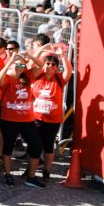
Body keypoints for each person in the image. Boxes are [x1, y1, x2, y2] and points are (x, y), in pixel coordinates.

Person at [0, 52, 44, 188]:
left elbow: (41, 65)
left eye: (23, 65)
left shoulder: (27, 76)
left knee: (36, 147)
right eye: (18, 65)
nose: (21, 68)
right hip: (9, 119)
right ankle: (8, 175)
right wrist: (10, 62)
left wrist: (30, 56)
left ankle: (31, 177)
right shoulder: (9, 78)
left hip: (27, 119)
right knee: (8, 147)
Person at [28, 46, 72, 184]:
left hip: (53, 119)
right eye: (47, 63)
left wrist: (62, 56)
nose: (50, 66)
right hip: (36, 117)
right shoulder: (37, 76)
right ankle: (30, 170)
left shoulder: (59, 79)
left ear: (56, 68)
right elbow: (31, 65)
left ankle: (46, 171)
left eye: (53, 65)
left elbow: (69, 71)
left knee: (48, 146)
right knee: (34, 145)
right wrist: (40, 51)